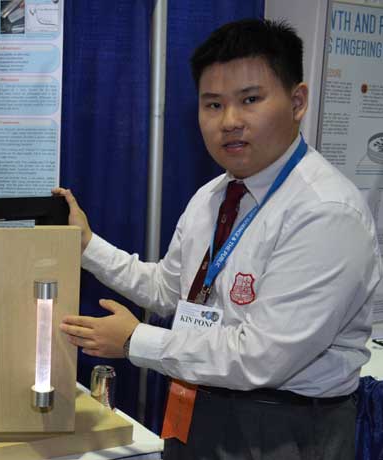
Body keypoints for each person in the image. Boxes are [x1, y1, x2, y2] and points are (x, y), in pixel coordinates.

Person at [54, 18, 380, 460]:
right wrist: (88, 247)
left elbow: (261, 357)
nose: (229, 121)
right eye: (212, 105)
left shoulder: (326, 211)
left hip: (286, 427)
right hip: (197, 404)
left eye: (250, 100)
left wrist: (135, 341)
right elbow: (168, 289)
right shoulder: (214, 195)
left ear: (297, 100)